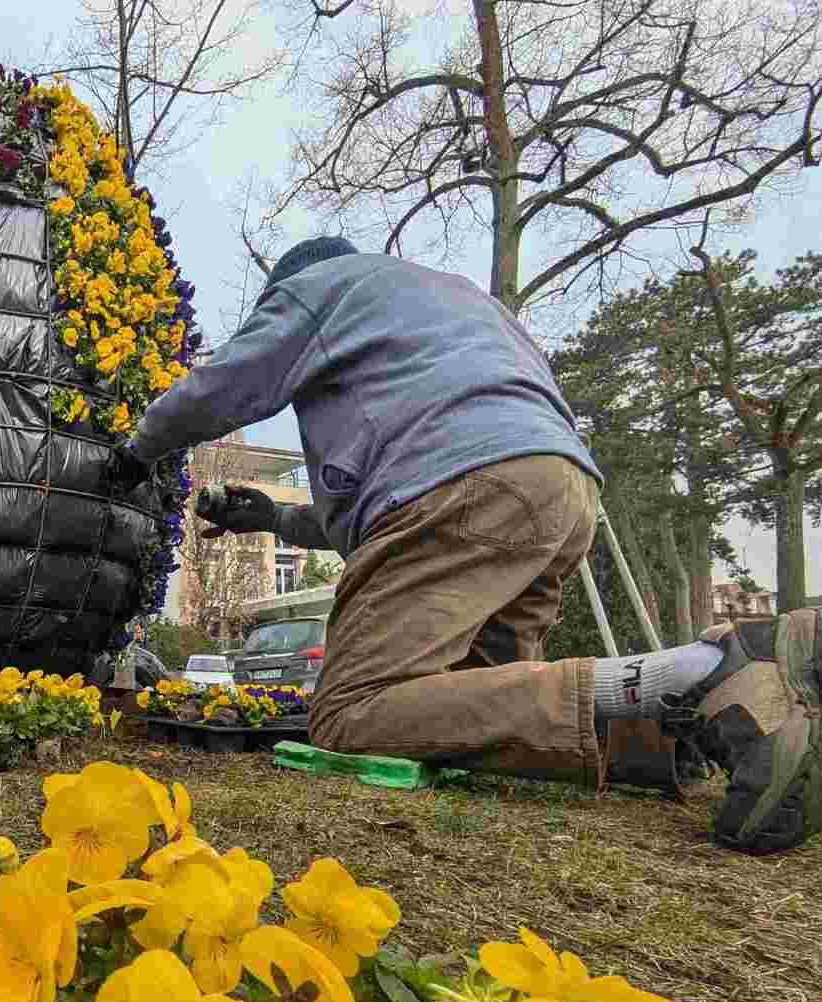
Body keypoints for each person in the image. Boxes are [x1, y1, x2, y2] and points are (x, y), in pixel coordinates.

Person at [108, 237, 822, 856]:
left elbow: (226, 385)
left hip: (461, 490)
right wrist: (272, 519)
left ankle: (701, 669)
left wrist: (137, 452)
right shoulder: (452, 307)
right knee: (475, 716)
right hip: (555, 491)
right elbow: (379, 517)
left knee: (354, 711)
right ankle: (676, 737)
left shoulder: (319, 286)